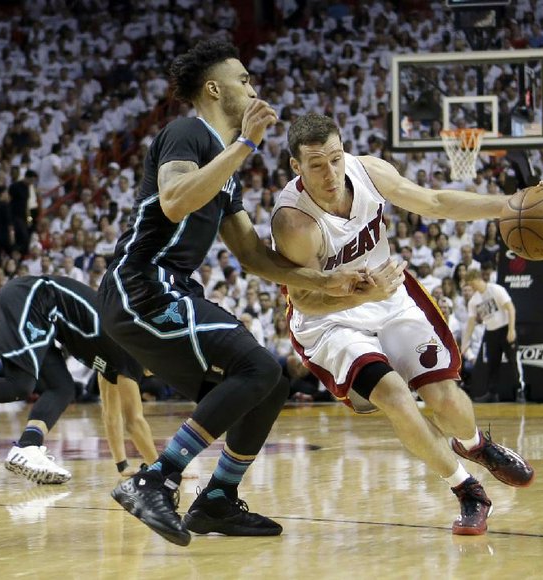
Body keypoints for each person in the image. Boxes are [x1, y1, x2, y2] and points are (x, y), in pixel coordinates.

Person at [98, 41, 364, 547]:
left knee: (270, 383)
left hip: (160, 292)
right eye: (243, 78)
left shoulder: (223, 165)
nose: (253, 86)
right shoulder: (186, 133)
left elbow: (253, 257)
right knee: (260, 367)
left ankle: (217, 498)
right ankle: (155, 479)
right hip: (143, 285)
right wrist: (245, 145)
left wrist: (328, 281)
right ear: (215, 88)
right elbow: (175, 201)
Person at [270, 113, 534, 537]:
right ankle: (467, 489)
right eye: (316, 165)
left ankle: (475, 446)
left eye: (336, 159)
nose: (330, 173)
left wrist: (503, 205)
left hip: (389, 297)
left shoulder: (368, 172)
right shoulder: (294, 222)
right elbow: (301, 296)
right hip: (330, 320)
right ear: (296, 167)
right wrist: (359, 295)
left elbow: (432, 202)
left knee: (444, 398)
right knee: (394, 395)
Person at [0, 276, 152, 483]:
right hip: (32, 298)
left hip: (43, 316)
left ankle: (27, 446)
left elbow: (111, 415)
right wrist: (163, 469)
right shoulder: (130, 354)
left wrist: (122, 466)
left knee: (63, 388)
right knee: (20, 385)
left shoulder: (117, 364)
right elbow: (134, 421)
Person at [461, 269, 523, 404]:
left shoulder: (495, 289)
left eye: (472, 283)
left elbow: (511, 308)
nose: (471, 287)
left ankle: (519, 391)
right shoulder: (474, 301)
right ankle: (492, 393)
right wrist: (465, 343)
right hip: (490, 332)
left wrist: (511, 329)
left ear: (478, 279)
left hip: (505, 327)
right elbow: (471, 324)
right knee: (492, 364)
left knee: (513, 361)